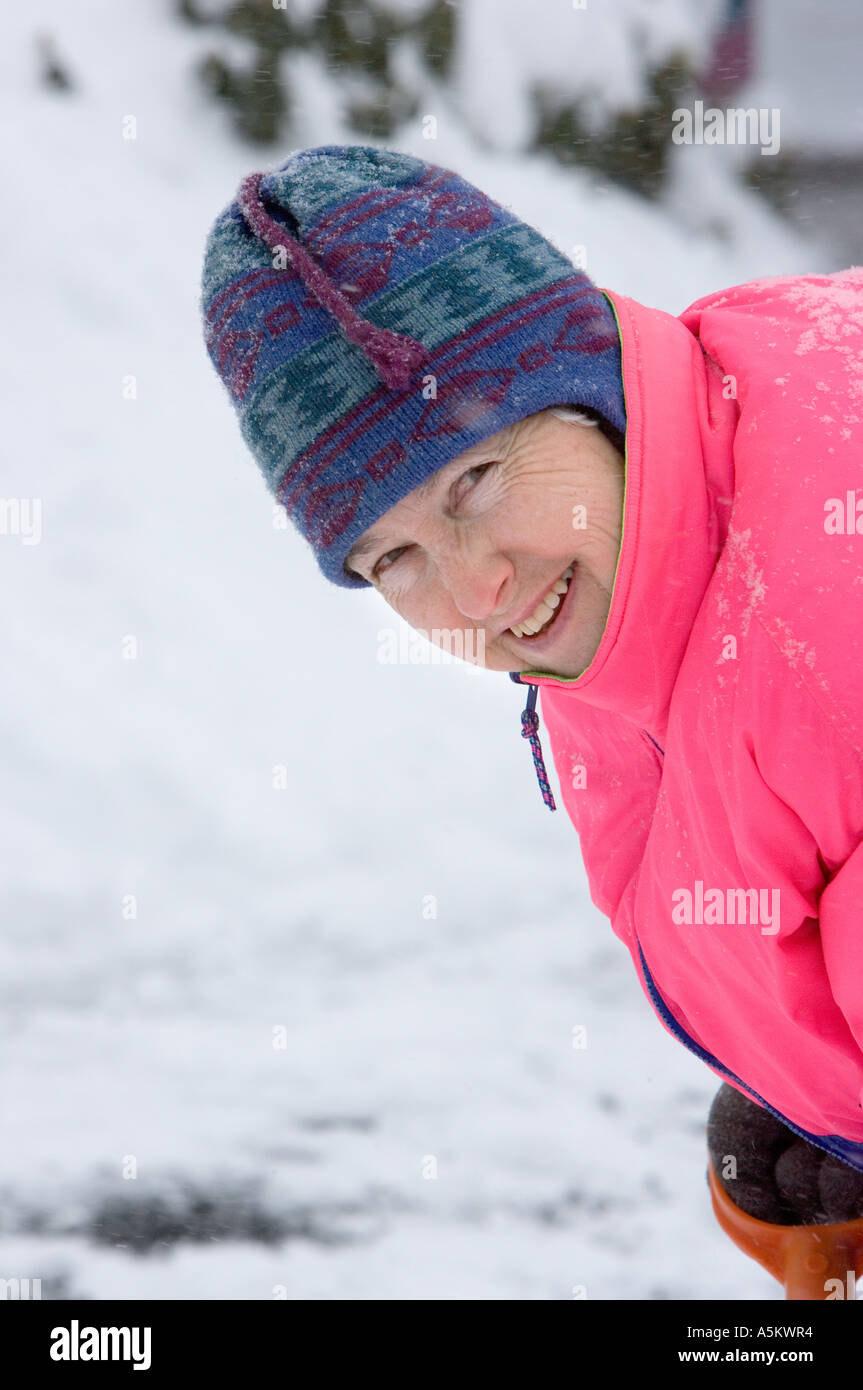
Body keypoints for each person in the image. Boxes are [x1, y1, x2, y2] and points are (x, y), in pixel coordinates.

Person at [200, 144, 863, 1227]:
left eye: (474, 479)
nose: (475, 589)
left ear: (585, 387)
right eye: (391, 559)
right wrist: (804, 1085)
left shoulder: (813, 648)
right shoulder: (645, 550)